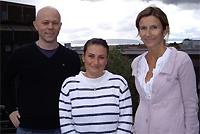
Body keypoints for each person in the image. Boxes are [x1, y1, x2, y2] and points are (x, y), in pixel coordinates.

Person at [1, 6, 80, 134]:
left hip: (64, 128)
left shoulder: (72, 58)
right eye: (45, 22)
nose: (50, 27)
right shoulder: (20, 55)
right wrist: (10, 109)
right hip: (27, 128)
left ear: (60, 26)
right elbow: (5, 82)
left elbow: (77, 91)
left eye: (55, 23)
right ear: (36, 25)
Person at [131, 6, 199, 134]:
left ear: (165, 30)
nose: (148, 34)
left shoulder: (181, 60)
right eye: (143, 28)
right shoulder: (137, 63)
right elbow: (144, 101)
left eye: (154, 27)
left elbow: (191, 106)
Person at [59, 38, 133, 134]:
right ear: (83, 57)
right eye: (91, 56)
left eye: (101, 57)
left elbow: (126, 121)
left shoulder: (119, 84)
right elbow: (66, 123)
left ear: (107, 59)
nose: (96, 62)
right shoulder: (69, 86)